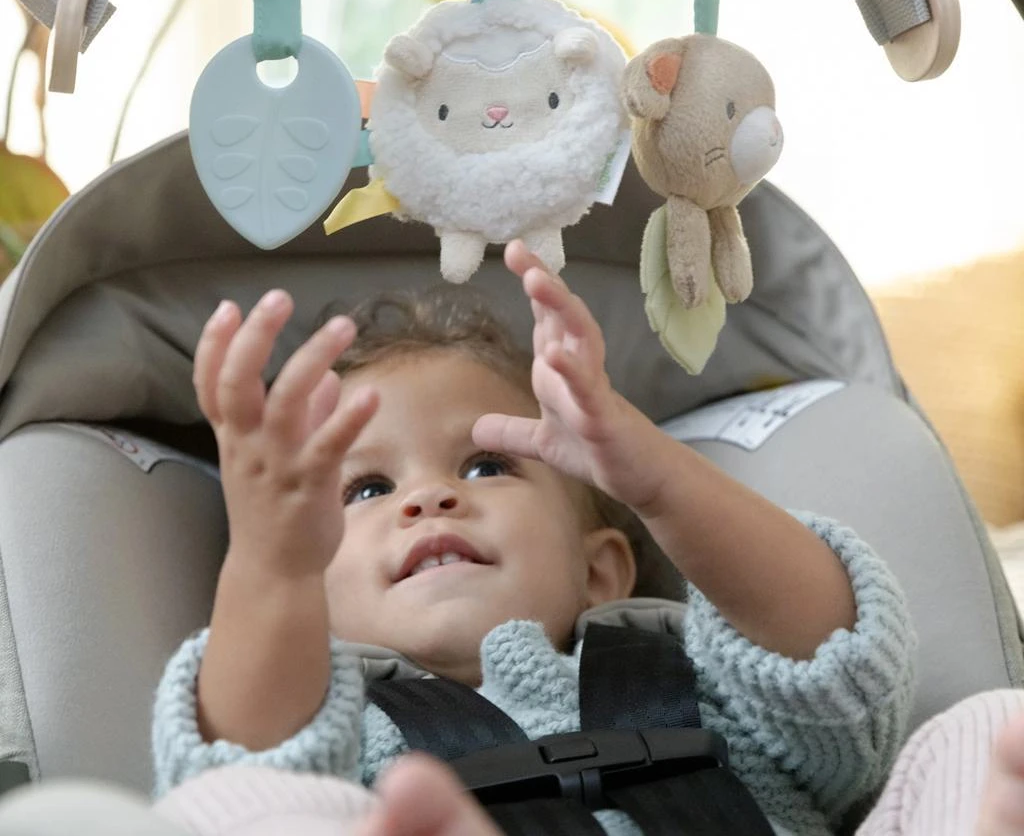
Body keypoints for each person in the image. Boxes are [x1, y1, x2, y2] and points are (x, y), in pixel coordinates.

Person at [150, 239, 916, 836]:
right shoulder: (339, 742)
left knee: (967, 736)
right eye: (368, 489)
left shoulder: (704, 680)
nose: (429, 498)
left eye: (487, 466)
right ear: (314, 614)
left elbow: (832, 660)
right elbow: (239, 772)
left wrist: (656, 479)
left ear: (601, 570)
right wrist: (274, 563)